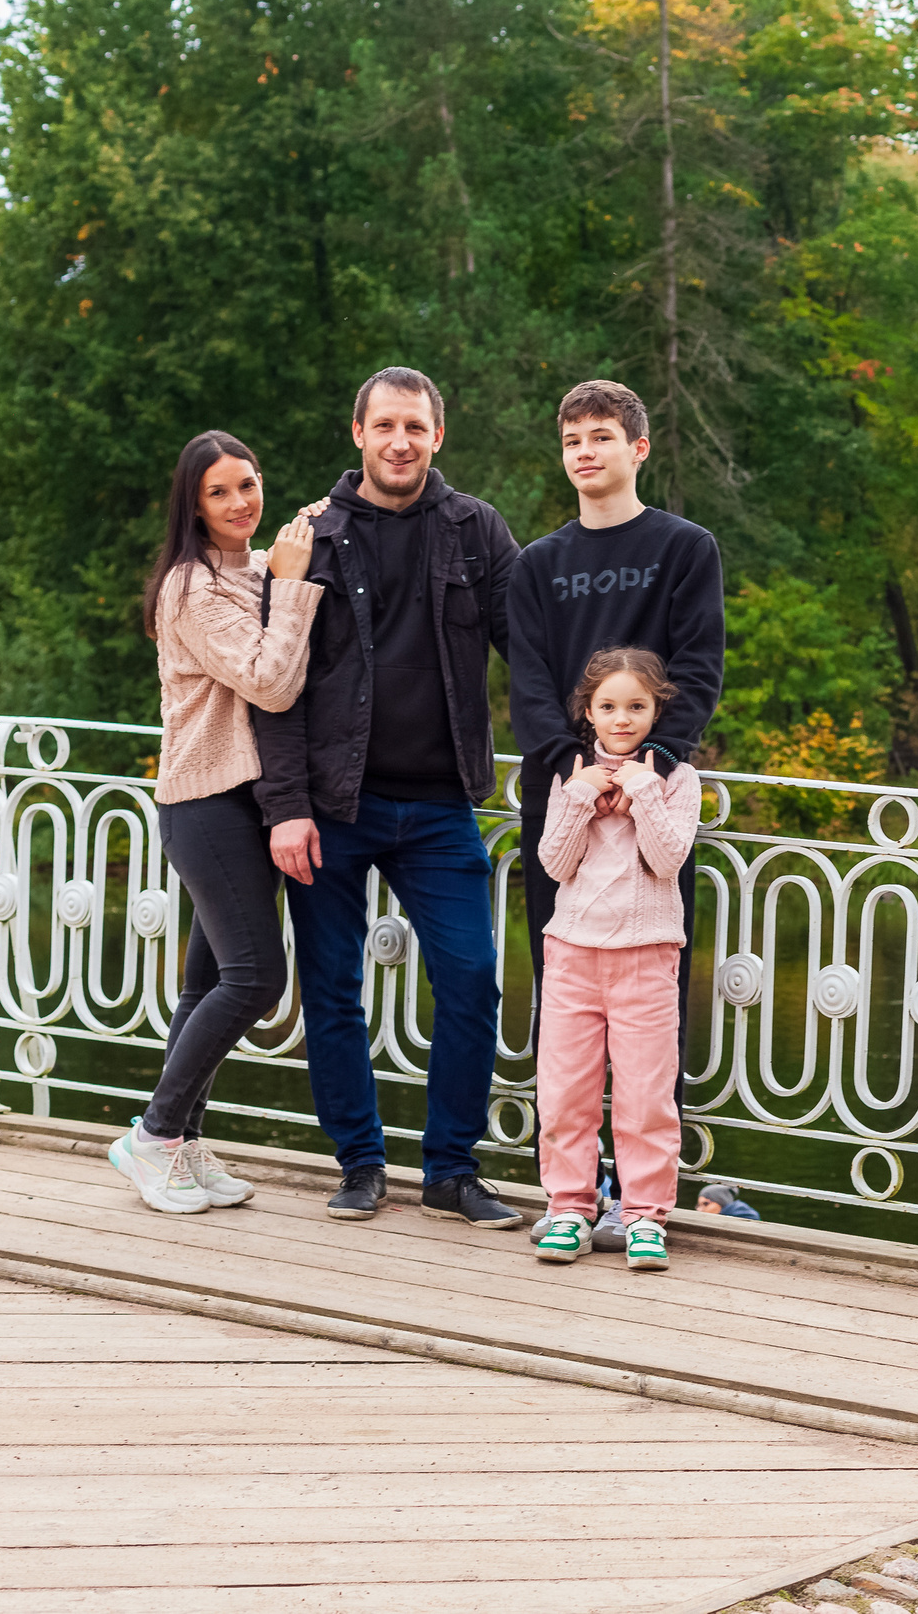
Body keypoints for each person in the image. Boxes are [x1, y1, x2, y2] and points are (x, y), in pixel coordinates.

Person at [252, 367, 527, 1228]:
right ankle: (359, 1162)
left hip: (442, 805)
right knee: (331, 988)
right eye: (385, 426)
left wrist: (605, 740)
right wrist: (285, 803)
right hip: (333, 804)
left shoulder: (476, 530)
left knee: (473, 978)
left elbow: (533, 647)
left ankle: (450, 1167)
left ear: (437, 435)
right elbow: (276, 682)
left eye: (416, 426)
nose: (400, 441)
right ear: (358, 433)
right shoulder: (312, 538)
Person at [507, 379, 722, 1249]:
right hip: (561, 797)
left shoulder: (684, 547)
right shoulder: (536, 566)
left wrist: (648, 769)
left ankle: (648, 1207)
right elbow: (525, 686)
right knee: (562, 1024)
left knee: (647, 1033)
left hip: (653, 801)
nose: (584, 452)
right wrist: (574, 772)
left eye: (602, 437)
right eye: (571, 441)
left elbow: (700, 667)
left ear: (638, 448)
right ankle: (567, 1197)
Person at [109, 431, 323, 1215]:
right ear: (193, 506)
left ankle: (183, 1143)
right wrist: (295, 589)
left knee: (204, 983)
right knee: (255, 976)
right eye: (220, 492)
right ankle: (154, 1134)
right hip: (205, 801)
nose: (241, 502)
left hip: (247, 799)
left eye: (249, 483)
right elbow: (270, 681)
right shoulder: (192, 588)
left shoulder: (259, 568)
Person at [530, 648, 702, 1269]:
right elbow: (553, 864)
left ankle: (644, 1216)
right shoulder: (568, 773)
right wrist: (578, 796)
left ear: (656, 709)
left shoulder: (676, 778)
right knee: (566, 1092)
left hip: (646, 954)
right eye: (609, 706)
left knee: (646, 1096)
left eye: (636, 706)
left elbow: (668, 860)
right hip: (573, 951)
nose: (622, 718)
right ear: (589, 711)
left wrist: (645, 792)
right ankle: (569, 1209)